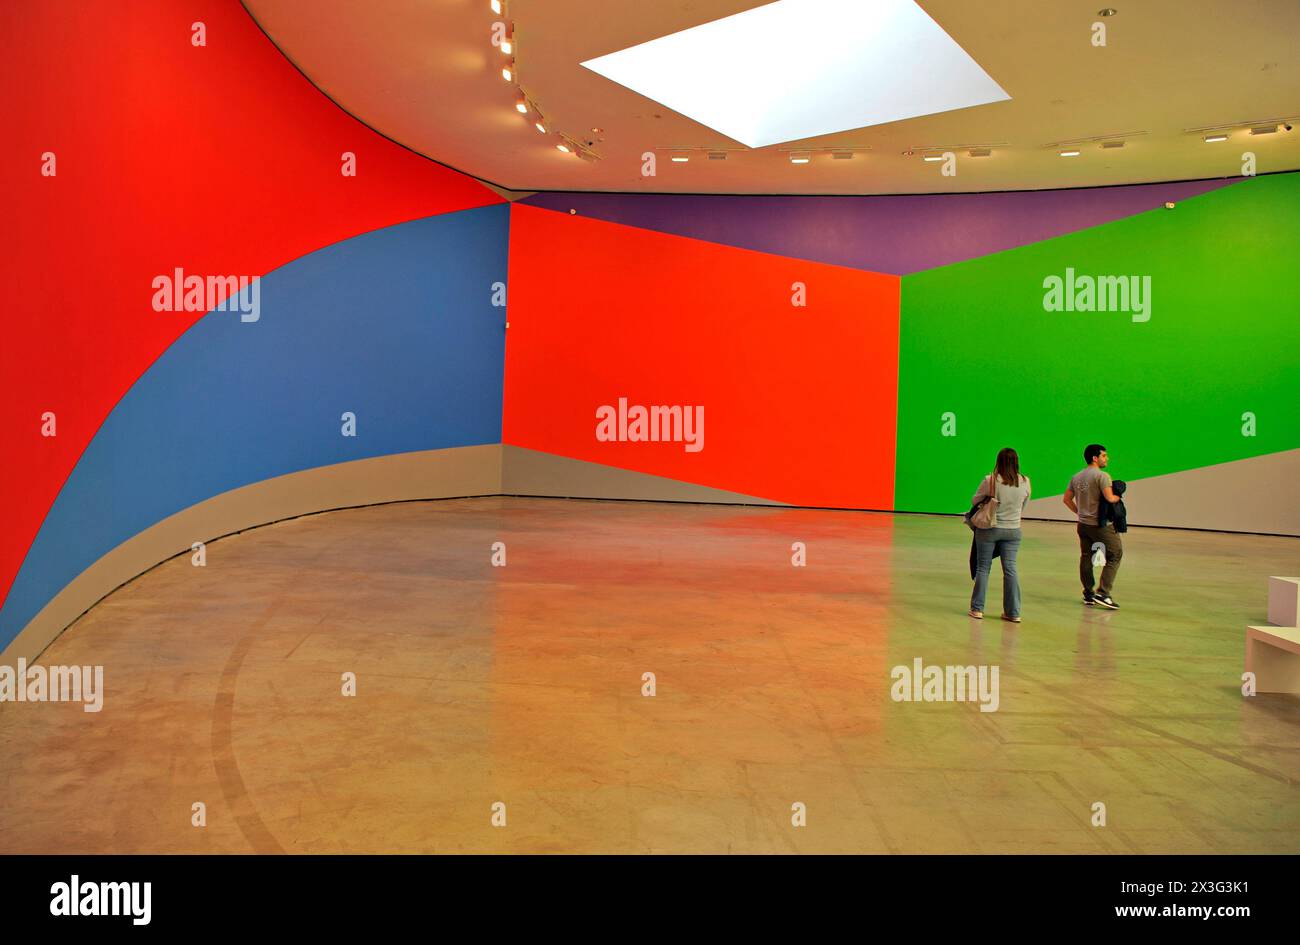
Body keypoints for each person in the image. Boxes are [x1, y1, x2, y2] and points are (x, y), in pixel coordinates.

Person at [968, 447, 1031, 622]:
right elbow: (1024, 505)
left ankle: (977, 609)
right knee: (1010, 569)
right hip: (1013, 530)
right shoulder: (1025, 481)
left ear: (999, 461)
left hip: (990, 529)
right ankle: (1013, 612)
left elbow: (975, 500)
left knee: (983, 568)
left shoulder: (991, 480)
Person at [1063, 444, 1122, 609]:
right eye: (1104, 455)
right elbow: (1110, 498)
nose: (1107, 458)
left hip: (1083, 525)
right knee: (1115, 554)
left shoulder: (1077, 477)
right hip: (1100, 526)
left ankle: (1088, 594)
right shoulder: (1102, 476)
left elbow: (1066, 499)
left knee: (1087, 556)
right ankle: (1103, 593)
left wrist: (1080, 513)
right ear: (1095, 458)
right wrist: (1118, 496)